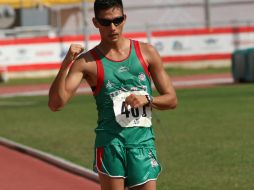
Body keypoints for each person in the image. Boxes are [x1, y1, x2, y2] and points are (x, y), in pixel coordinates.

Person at [48, 0, 177, 189]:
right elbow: (56, 104)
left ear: (124, 18)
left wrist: (148, 100)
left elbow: (172, 99)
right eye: (106, 22)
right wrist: (66, 63)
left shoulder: (147, 52)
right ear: (95, 22)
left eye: (117, 20)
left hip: (143, 145)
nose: (113, 27)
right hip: (110, 145)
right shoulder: (87, 62)